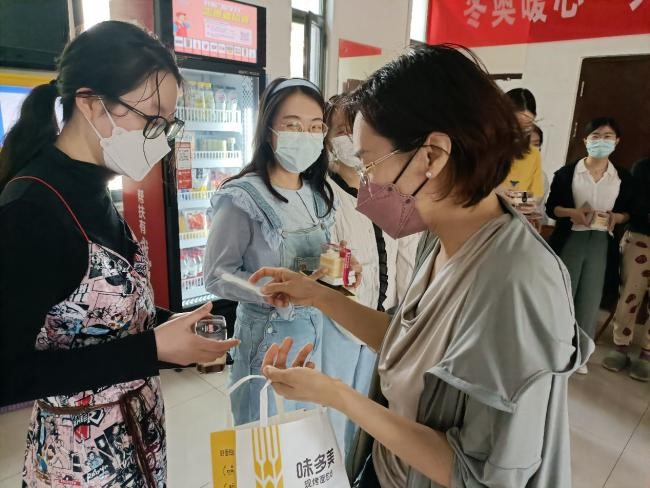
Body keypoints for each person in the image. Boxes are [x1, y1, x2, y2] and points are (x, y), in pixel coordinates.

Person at [251, 45, 592, 488]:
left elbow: (476, 474)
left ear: (432, 156)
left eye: (369, 163)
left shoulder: (518, 283)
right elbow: (408, 340)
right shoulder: (442, 235)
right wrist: (317, 295)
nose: (365, 183)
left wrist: (337, 396)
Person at [0, 21, 239, 486]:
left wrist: (181, 323)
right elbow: (9, 374)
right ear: (91, 103)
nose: (161, 137)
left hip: (138, 435)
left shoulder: (96, 188)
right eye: (151, 119)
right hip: (80, 460)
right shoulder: (31, 211)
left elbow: (104, 316)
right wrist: (152, 349)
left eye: (167, 124)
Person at [203, 77, 335, 426]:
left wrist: (340, 272)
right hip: (266, 337)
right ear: (268, 131)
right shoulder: (243, 197)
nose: (305, 136)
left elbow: (320, 264)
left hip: (312, 335)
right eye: (292, 125)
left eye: (315, 127)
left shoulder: (317, 194)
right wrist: (266, 291)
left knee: (301, 430)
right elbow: (216, 273)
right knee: (261, 433)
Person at [323, 95, 419, 455]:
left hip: (384, 321)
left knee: (368, 413)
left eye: (355, 129)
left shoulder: (384, 191)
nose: (349, 139)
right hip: (341, 326)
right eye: (340, 130)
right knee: (335, 414)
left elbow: (404, 255)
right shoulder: (324, 196)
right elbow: (322, 267)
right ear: (327, 138)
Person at [546, 117, 636, 374]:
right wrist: (571, 213)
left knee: (590, 299)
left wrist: (616, 217)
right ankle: (554, 349)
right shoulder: (568, 173)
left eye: (608, 137)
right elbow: (552, 208)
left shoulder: (622, 178)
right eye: (595, 136)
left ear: (617, 141)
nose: (601, 141)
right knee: (563, 294)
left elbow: (629, 212)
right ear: (585, 140)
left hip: (601, 242)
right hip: (571, 238)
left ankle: (580, 354)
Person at [601, 156, 650, 382]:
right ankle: (620, 345)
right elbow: (635, 203)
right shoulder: (643, 166)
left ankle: (647, 353)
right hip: (640, 236)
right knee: (630, 293)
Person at [501, 88, 544, 198]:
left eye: (526, 126)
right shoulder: (483, 148)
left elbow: (534, 198)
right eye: (515, 126)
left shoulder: (533, 154)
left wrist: (514, 198)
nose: (520, 133)